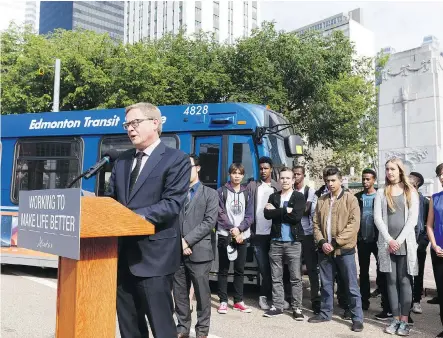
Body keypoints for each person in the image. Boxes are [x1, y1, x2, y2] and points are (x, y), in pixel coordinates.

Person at [106, 102, 191, 338]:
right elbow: (111, 200)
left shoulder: (176, 159)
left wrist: (131, 218)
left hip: (155, 259)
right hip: (123, 258)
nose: (129, 129)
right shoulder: (121, 161)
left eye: (135, 123)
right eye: (127, 125)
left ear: (155, 123)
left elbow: (172, 204)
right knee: (129, 329)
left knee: (162, 328)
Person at [308, 166, 364, 333]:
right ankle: (325, 313)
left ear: (340, 180)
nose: (330, 184)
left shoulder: (350, 199)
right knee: (325, 284)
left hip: (344, 250)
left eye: (333, 180)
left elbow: (354, 225)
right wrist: (323, 242)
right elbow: (316, 224)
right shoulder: (322, 200)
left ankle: (357, 318)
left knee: (351, 285)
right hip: (325, 250)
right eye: (327, 181)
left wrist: (336, 243)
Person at [173, 154, 218, 338]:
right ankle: (183, 327)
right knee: (180, 294)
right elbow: (171, 220)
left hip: (199, 252)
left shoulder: (210, 194)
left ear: (198, 168)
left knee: (202, 295)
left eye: (189, 167)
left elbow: (209, 222)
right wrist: (180, 242)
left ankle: (202, 331)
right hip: (178, 252)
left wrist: (187, 240)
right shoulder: (175, 194)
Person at [374, 157, 419, 336]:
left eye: (393, 169)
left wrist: (398, 240)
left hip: (405, 244)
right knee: (391, 282)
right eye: (387, 169)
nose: (389, 172)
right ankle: (395, 319)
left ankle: (405, 321)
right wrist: (389, 240)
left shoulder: (410, 191)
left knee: (405, 281)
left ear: (400, 170)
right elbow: (378, 218)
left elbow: (412, 219)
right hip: (387, 245)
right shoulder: (382, 191)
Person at [262, 167, 306, 320]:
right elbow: (267, 214)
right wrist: (285, 210)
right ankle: (278, 306)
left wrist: (278, 211)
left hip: (293, 243)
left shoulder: (299, 197)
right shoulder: (273, 196)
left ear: (293, 180)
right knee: (276, 276)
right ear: (279, 180)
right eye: (282, 178)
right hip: (276, 242)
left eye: (288, 178)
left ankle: (297, 308)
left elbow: (295, 217)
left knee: (295, 277)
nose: (285, 181)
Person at [216, 163, 254, 314]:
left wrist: (240, 229)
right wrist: (232, 229)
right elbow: (220, 213)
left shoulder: (247, 193)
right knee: (223, 269)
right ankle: (223, 301)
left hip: (242, 236)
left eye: (240, 173)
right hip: (225, 235)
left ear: (243, 175)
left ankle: (238, 300)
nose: (237, 175)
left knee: (240, 269)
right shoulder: (221, 191)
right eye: (234, 173)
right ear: (229, 174)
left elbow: (250, 215)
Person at [247, 156, 281, 310]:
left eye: (266, 168)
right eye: (261, 168)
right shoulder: (253, 186)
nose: (263, 171)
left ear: (271, 169)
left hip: (273, 235)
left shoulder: (277, 187)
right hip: (258, 235)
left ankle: (277, 298)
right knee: (264, 269)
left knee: (276, 269)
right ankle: (263, 297)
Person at [355, 169, 384, 311]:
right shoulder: (357, 197)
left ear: (374, 180)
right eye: (364, 179)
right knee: (364, 271)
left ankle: (385, 302)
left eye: (368, 179)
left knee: (382, 270)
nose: (365, 182)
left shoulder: (380, 195)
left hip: (378, 240)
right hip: (362, 240)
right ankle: (364, 300)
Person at [293, 165, 320, 314]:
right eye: (294, 174)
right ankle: (295, 300)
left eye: (298, 174)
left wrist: (292, 209)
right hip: (293, 234)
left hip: (308, 233)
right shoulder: (289, 191)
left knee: (311, 269)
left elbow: (307, 209)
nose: (296, 177)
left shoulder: (309, 191)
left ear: (303, 175)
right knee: (294, 269)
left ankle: (316, 300)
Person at [408, 172, 430, 315]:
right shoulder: (404, 198)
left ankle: (416, 300)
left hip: (419, 243)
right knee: (406, 273)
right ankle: (406, 300)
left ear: (415, 184)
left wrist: (422, 242)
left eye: (408, 180)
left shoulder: (425, 202)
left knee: (418, 273)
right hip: (405, 242)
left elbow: (429, 224)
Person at [426, 163, 443, 338]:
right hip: (438, 251)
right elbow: (429, 225)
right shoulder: (435, 198)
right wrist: (434, 244)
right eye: (440, 174)